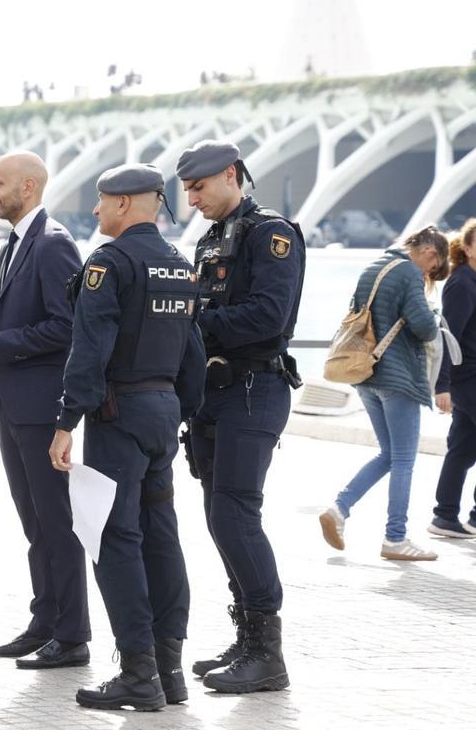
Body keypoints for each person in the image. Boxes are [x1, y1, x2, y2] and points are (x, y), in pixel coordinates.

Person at [48, 164, 204, 711]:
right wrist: (179, 411)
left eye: (100, 201)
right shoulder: (180, 267)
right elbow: (194, 355)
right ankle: (170, 670)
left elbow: (88, 350)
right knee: (163, 536)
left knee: (115, 539)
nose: (95, 212)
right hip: (163, 412)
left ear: (122, 204)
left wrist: (68, 421)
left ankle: (138, 672)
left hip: (119, 414)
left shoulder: (109, 264)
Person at [0, 151, 92, 669]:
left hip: (40, 407)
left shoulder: (53, 245)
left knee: (56, 521)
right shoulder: (16, 244)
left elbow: (68, 327)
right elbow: (28, 319)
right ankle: (46, 620)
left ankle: (73, 635)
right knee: (35, 523)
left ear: (28, 187)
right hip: (14, 406)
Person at [179, 140, 305, 694]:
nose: (192, 198)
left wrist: (193, 320)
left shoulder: (270, 234)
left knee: (235, 514)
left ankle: (266, 653)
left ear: (231, 175)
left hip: (255, 387)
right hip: (216, 390)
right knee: (218, 515)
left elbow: (269, 315)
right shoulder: (213, 238)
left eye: (199, 186)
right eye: (186, 190)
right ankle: (247, 636)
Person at [318, 229, 448, 559]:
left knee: (388, 454)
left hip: (367, 375)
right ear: (429, 250)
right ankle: (395, 537)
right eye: (434, 265)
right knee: (404, 458)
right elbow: (424, 327)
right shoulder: (408, 272)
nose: (429, 272)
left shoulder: (374, 266)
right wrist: (434, 313)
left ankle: (339, 508)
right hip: (398, 378)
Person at [431, 219, 476, 538]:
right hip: (468, 378)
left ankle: (445, 516)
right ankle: (449, 514)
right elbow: (448, 337)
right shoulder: (462, 283)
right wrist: (442, 386)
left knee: (462, 448)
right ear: (468, 247)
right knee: (461, 448)